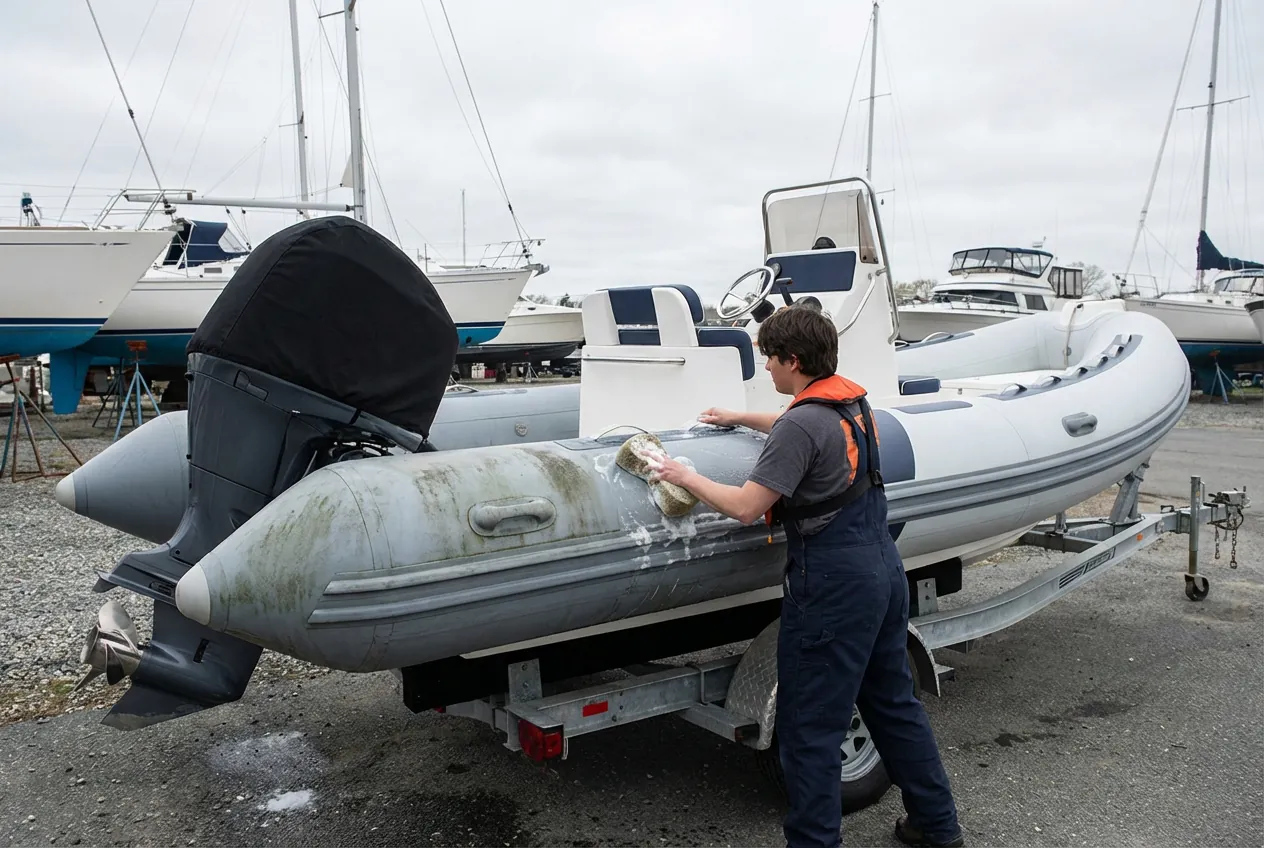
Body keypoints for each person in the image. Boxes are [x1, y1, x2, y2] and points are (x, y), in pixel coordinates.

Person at [645, 304, 963, 848]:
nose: (765, 367)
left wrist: (684, 475)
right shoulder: (853, 403)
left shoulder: (801, 423)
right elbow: (806, 426)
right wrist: (741, 418)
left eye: (769, 358)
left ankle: (815, 841)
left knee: (811, 727)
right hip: (883, 569)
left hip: (834, 583)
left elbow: (747, 506)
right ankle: (936, 824)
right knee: (892, 704)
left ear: (792, 360)